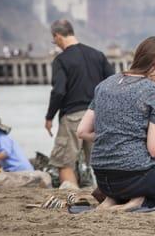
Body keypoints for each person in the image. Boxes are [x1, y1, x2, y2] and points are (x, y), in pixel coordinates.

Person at [77, 36, 155, 210]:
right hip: (135, 176)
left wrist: (115, 135)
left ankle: (113, 199)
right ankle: (140, 202)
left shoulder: (105, 84)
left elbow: (82, 131)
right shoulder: (154, 92)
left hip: (103, 178)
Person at [45, 19, 114, 188]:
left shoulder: (61, 60)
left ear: (57, 36)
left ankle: (72, 198)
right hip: (98, 116)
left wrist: (49, 117)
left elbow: (59, 91)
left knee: (64, 162)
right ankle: (106, 195)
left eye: (54, 40)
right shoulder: (97, 54)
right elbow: (112, 83)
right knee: (100, 163)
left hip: (73, 117)